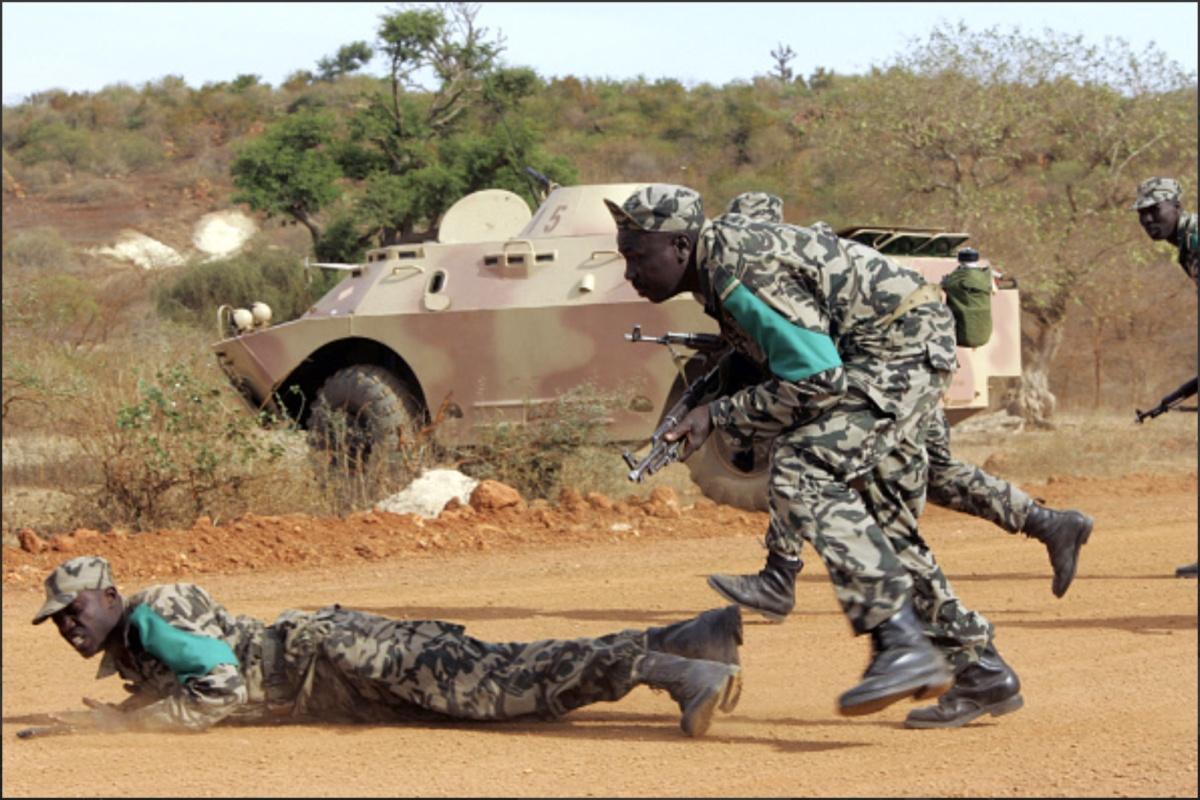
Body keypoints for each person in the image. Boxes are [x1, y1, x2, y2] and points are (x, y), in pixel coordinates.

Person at [608, 184, 1022, 730]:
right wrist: (706, 398)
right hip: (883, 349)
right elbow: (760, 351)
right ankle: (981, 670)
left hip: (897, 349)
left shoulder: (735, 269)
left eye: (637, 256)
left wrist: (718, 416)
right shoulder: (717, 266)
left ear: (681, 246)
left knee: (804, 465)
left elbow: (817, 380)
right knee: (882, 530)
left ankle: (901, 644)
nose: (630, 272)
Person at [722, 191, 1094, 599]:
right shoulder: (811, 253)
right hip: (908, 370)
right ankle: (1049, 524)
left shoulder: (795, 268)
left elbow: (809, 357)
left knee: (802, 451)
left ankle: (785, 574)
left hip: (890, 378)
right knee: (936, 471)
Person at [21, 556, 744, 739]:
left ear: (108, 596)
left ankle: (678, 672)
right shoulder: (145, 633)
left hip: (342, 659)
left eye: (74, 608)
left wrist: (126, 726)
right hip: (342, 666)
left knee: (504, 688)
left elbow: (219, 685)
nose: (67, 625)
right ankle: (688, 638)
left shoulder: (146, 619)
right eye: (56, 619)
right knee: (511, 672)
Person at [1133, 176, 1198, 579]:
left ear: (1176, 205)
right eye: (1142, 215)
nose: (1148, 220)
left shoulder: (1196, 240)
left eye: (1155, 211)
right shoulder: (1187, 246)